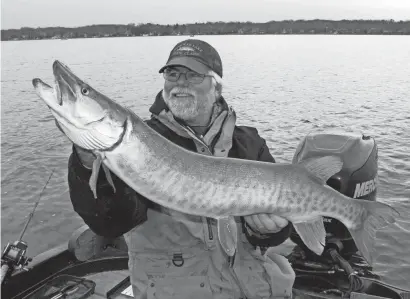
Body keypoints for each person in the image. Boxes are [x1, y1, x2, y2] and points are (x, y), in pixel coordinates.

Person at [66, 39, 295, 299]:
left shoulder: (249, 144)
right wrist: (86, 162)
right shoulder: (140, 143)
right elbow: (111, 222)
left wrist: (267, 230)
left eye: (193, 75)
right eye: (172, 74)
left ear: (216, 87)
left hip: (251, 286)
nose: (180, 82)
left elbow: (276, 232)